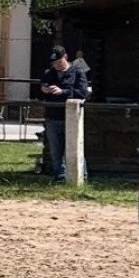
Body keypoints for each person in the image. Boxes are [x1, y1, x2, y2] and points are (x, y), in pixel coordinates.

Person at [41, 45, 89, 182]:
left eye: (58, 61)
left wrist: (63, 92)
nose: (56, 64)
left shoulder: (78, 72)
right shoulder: (49, 73)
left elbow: (82, 92)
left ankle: (81, 176)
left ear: (65, 57)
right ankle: (60, 178)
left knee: (74, 149)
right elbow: (40, 89)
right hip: (52, 116)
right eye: (53, 62)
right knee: (56, 151)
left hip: (71, 118)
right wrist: (44, 89)